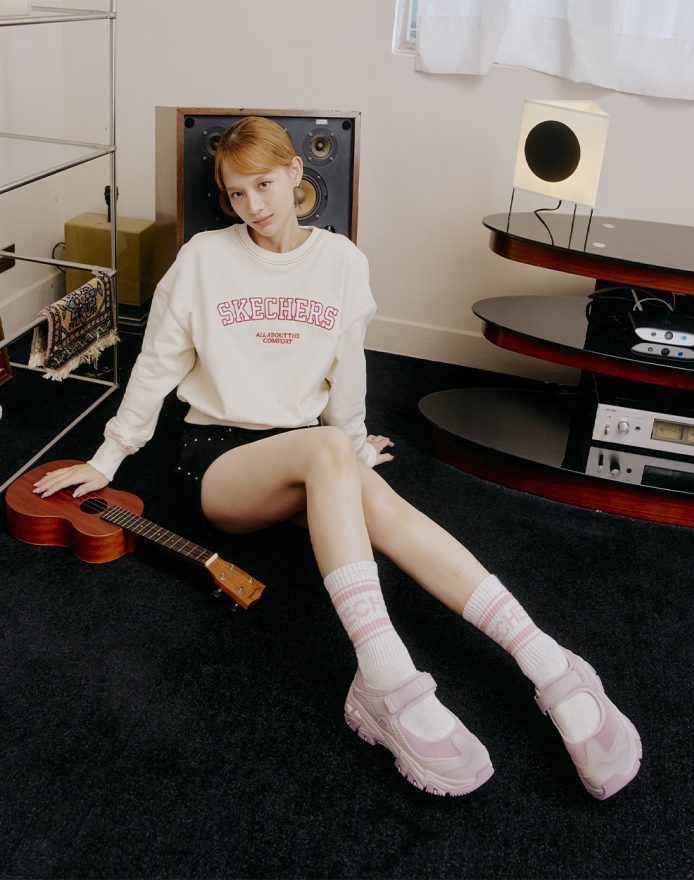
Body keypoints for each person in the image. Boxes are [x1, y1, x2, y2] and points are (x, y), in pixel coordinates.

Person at [33, 116, 641, 800]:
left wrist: (353, 446)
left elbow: (348, 375)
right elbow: (156, 365)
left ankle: (551, 663)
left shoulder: (343, 263)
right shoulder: (203, 258)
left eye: (264, 184)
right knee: (328, 452)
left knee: (379, 501)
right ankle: (385, 678)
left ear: (295, 172)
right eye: (236, 193)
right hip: (220, 462)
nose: (253, 205)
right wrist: (109, 458)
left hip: (306, 452)